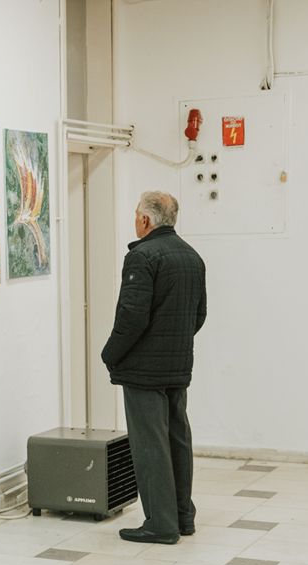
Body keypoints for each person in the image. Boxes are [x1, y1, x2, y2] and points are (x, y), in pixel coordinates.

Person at [102, 191, 207, 544]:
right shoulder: (192, 257)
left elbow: (131, 317)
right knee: (177, 438)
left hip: (143, 370)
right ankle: (182, 516)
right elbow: (199, 315)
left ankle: (160, 524)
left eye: (136, 215)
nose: (135, 220)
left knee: (150, 446)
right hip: (178, 365)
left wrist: (110, 354)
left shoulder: (142, 256)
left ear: (145, 220)